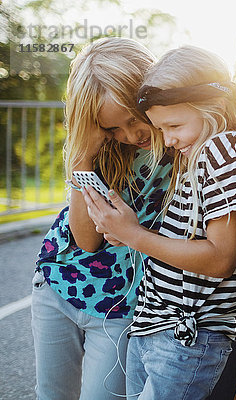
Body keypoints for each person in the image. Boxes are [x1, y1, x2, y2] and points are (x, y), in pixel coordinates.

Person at [83, 45, 236, 400]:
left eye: (174, 126)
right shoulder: (199, 155)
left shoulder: (218, 152)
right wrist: (127, 233)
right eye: (162, 128)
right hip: (154, 326)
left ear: (215, 108)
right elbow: (189, 238)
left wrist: (135, 235)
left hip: (186, 334)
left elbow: (220, 258)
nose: (169, 140)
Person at [32, 37, 173, 400]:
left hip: (120, 305)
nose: (131, 135)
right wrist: (83, 157)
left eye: (133, 119)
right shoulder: (101, 151)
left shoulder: (178, 143)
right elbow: (87, 240)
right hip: (57, 282)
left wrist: (131, 231)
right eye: (112, 129)